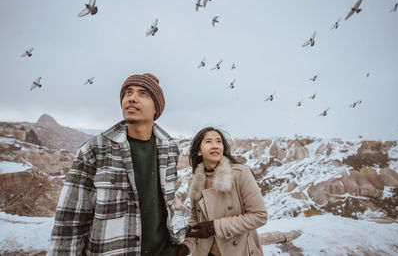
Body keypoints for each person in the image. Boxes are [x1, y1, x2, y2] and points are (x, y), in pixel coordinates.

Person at [47, 73, 186, 255]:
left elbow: (166, 209)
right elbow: (69, 223)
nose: (132, 98)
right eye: (128, 92)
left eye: (143, 93)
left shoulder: (170, 150)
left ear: (156, 109)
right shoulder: (94, 150)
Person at [177, 127, 268, 256]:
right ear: (198, 151)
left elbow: (259, 216)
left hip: (238, 251)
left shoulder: (240, 174)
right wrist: (187, 245)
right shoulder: (195, 181)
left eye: (219, 141)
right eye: (208, 141)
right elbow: (195, 219)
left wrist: (215, 227)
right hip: (205, 252)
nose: (215, 146)